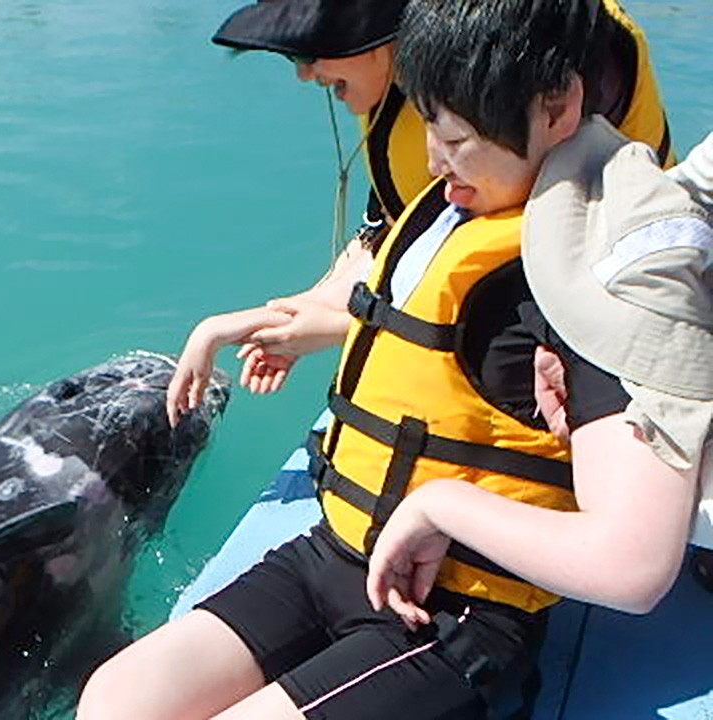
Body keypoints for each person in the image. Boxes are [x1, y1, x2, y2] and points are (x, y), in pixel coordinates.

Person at [78, 2, 705, 718]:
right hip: (332, 553)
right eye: (426, 126)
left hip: (457, 610)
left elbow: (633, 566)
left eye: (457, 138)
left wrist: (443, 505)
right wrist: (234, 325)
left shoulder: (594, 280)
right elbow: (381, 311)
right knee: (113, 701)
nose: (433, 162)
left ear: (557, 108)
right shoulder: (453, 207)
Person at [167, 0, 676, 425]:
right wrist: (272, 323)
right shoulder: (416, 89)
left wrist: (340, 325)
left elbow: (518, 305)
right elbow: (395, 240)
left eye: (309, 51)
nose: (304, 74)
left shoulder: (528, 71)